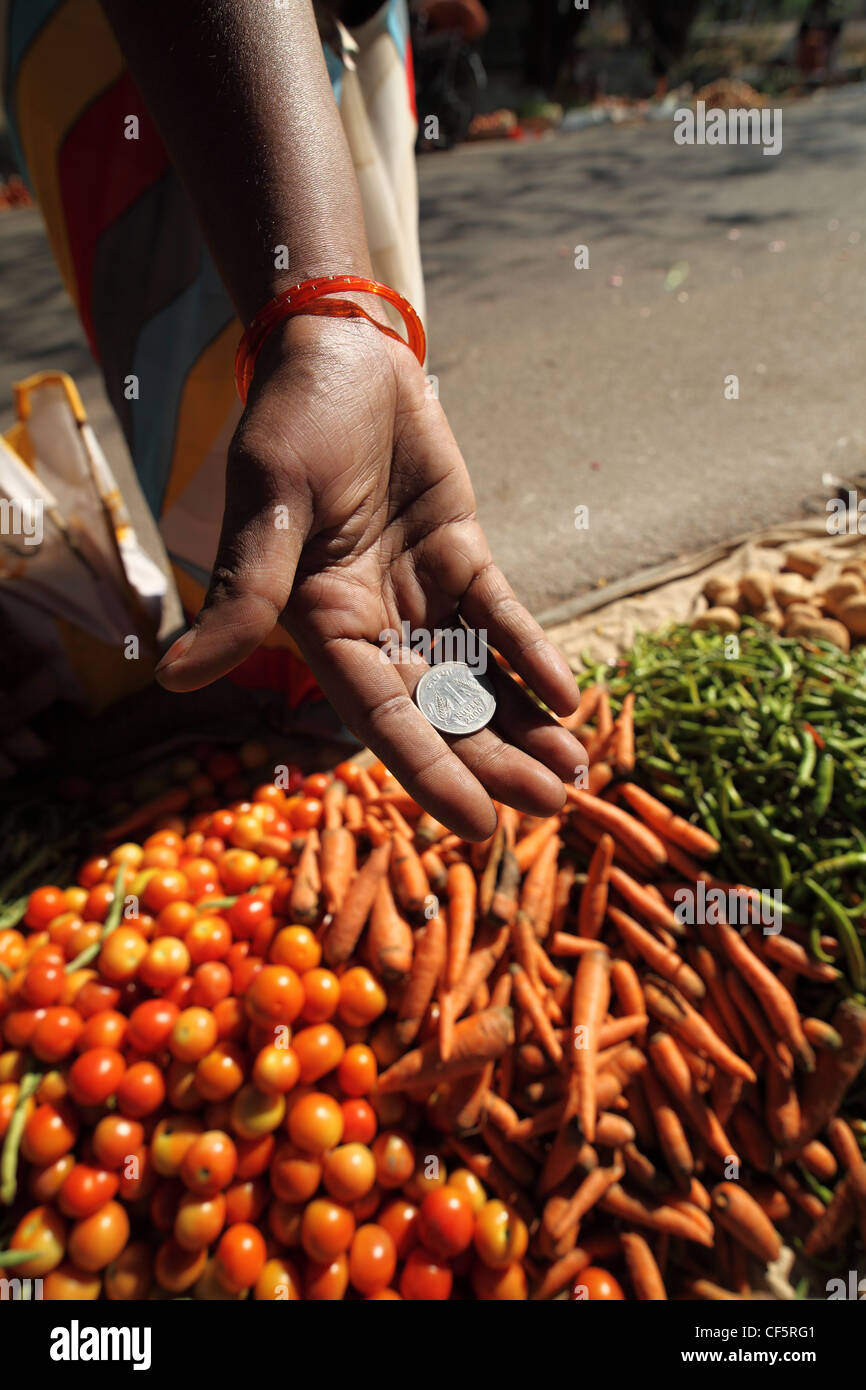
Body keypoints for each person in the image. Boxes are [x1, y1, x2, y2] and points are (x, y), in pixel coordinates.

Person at [2, 0, 585, 839]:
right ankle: (260, 675)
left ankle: (279, 682)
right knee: (182, 367)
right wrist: (321, 332)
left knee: (251, 348)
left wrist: (317, 322)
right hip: (120, 46)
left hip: (257, 36)